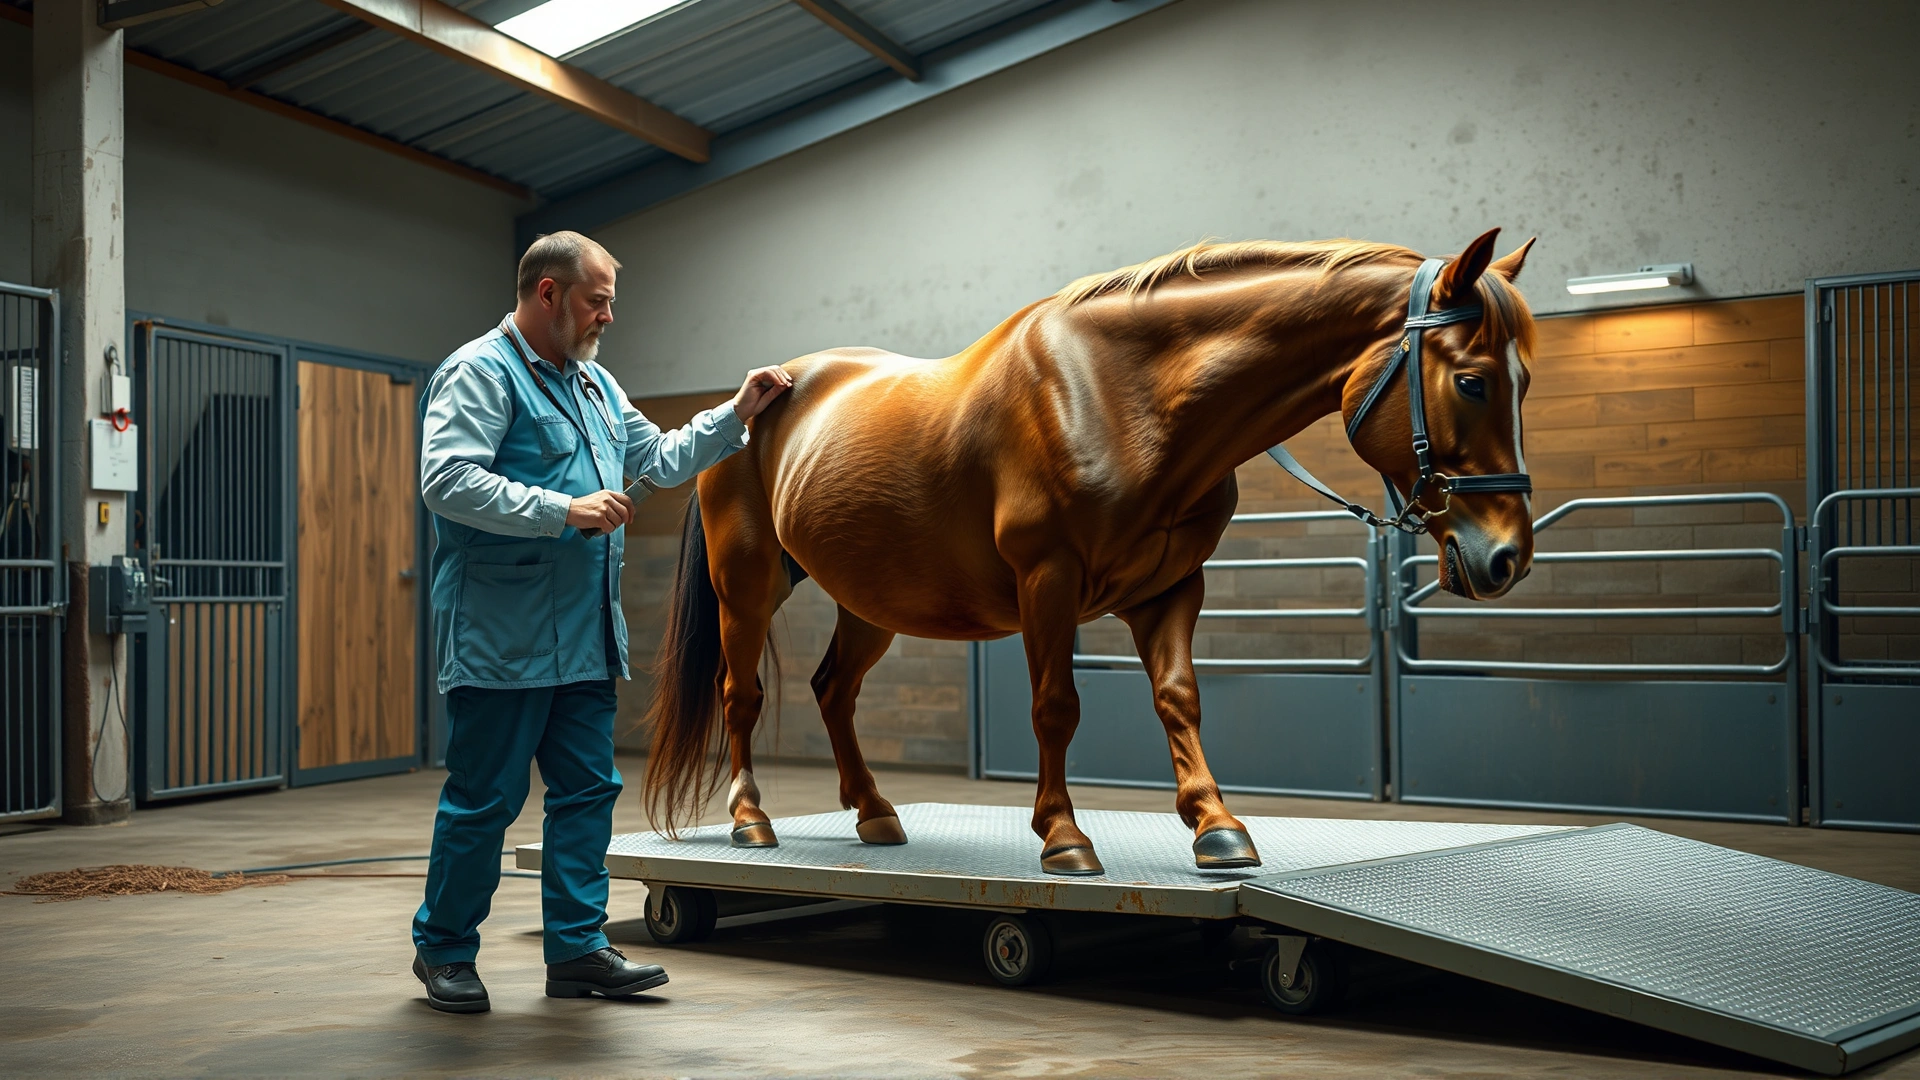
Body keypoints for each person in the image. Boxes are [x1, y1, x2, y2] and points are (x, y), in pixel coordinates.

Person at [410, 230, 792, 1013]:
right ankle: (444, 950)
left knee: (587, 792)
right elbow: (446, 480)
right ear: (546, 293)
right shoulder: (480, 373)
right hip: (502, 641)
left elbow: (657, 458)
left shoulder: (594, 386)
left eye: (610, 302)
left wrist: (736, 413)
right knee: (484, 799)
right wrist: (563, 510)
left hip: (584, 638)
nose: (608, 317)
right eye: (598, 301)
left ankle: (578, 949)